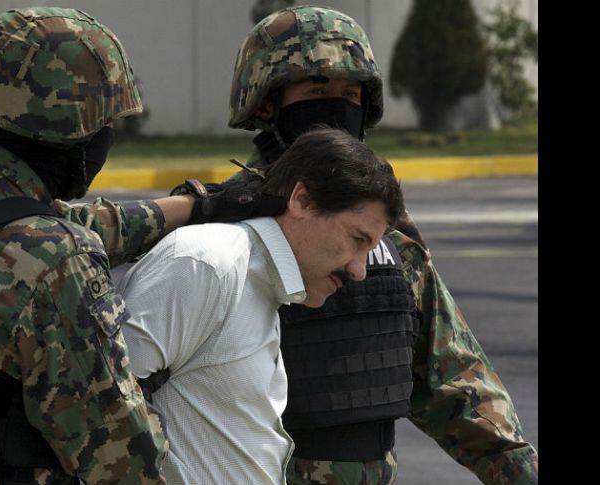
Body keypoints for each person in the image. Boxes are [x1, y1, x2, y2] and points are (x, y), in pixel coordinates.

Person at [0, 7, 283, 485]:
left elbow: (66, 225)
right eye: (109, 123)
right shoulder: (57, 262)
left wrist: (195, 206)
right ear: (83, 130)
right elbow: (123, 458)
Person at [224, 5, 538, 484]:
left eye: (350, 95)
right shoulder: (224, 222)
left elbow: (454, 376)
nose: (335, 108)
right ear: (267, 102)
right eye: (316, 92)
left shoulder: (385, 229)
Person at [118, 127, 406, 485]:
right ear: (302, 200)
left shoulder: (261, 284)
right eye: (357, 239)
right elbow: (104, 415)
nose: (359, 270)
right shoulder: (206, 264)